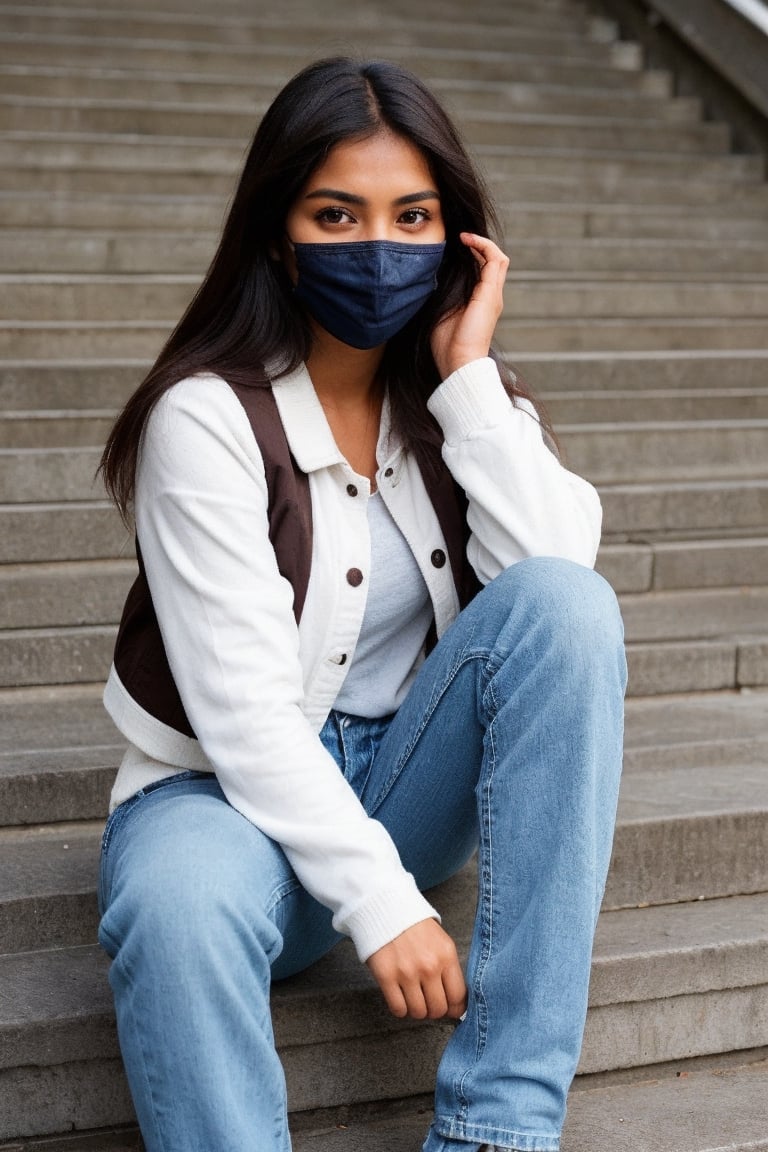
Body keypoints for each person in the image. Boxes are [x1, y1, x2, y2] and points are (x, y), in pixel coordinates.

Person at [97, 56, 627, 1152]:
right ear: (279, 233)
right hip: (218, 806)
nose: (377, 245)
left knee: (568, 609)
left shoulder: (456, 401)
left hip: (403, 781)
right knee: (176, 909)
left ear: (453, 237)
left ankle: (497, 1131)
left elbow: (558, 586)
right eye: (337, 213)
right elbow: (243, 718)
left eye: (412, 215)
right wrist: (383, 906)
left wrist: (469, 375)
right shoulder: (202, 421)